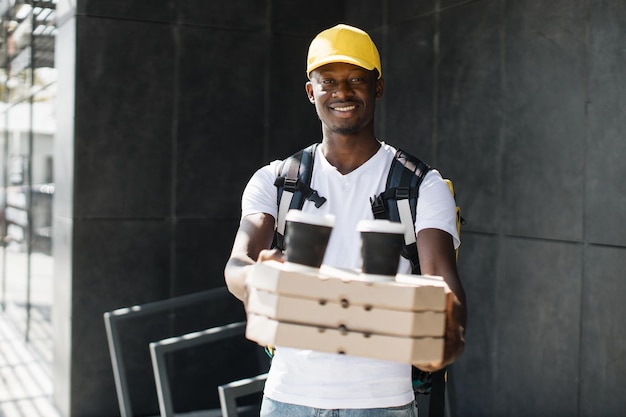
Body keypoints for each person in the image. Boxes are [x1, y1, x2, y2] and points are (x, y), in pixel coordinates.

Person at [224, 23, 466, 417]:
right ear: (310, 91)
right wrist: (255, 279)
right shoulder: (276, 179)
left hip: (381, 403)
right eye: (328, 80)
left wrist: (443, 331)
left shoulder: (422, 185)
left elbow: (445, 289)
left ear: (378, 87)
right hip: (288, 398)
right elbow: (238, 263)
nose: (342, 91)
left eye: (356, 79)